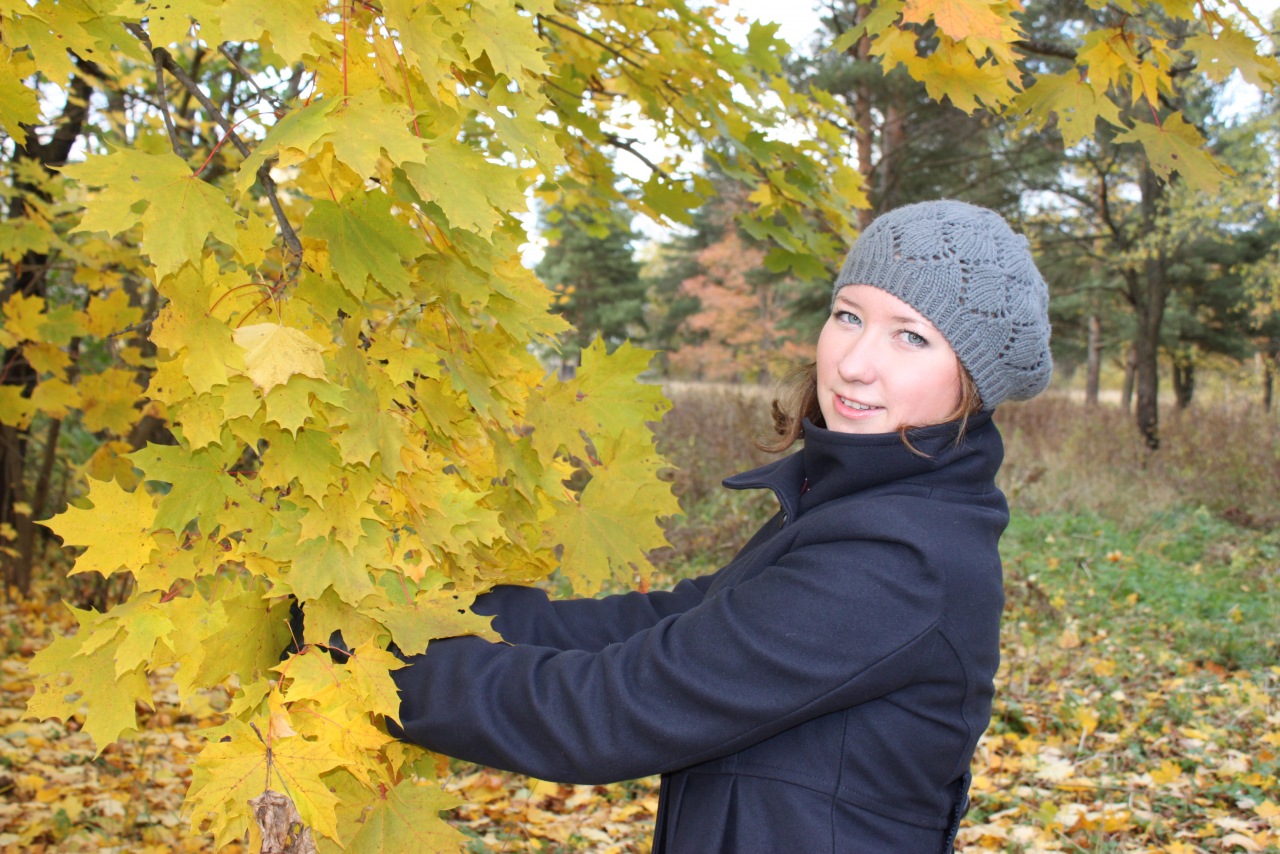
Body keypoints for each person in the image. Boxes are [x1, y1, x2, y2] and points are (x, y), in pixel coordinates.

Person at [389, 199, 1053, 852]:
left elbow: (613, 710)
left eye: (911, 336)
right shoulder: (862, 507)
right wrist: (428, 617)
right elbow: (667, 623)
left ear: (972, 382)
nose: (854, 363)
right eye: (848, 316)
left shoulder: (902, 560)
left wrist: (373, 667)